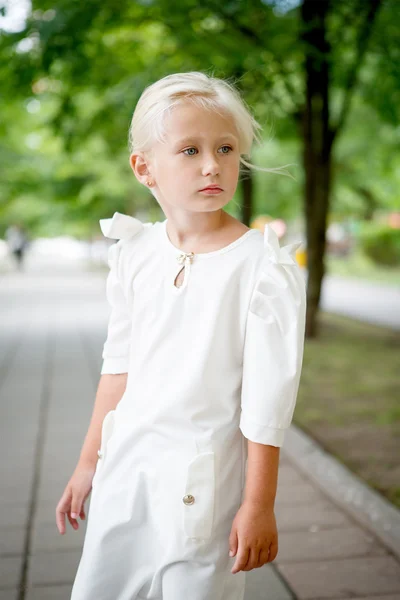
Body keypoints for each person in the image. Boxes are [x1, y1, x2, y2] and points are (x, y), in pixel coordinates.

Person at [56, 71, 307, 600]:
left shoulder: (261, 269)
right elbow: (118, 366)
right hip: (126, 469)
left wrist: (258, 505)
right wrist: (86, 464)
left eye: (225, 148)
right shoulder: (134, 253)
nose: (212, 164)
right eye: (189, 150)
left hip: (203, 487)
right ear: (144, 167)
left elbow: (267, 402)